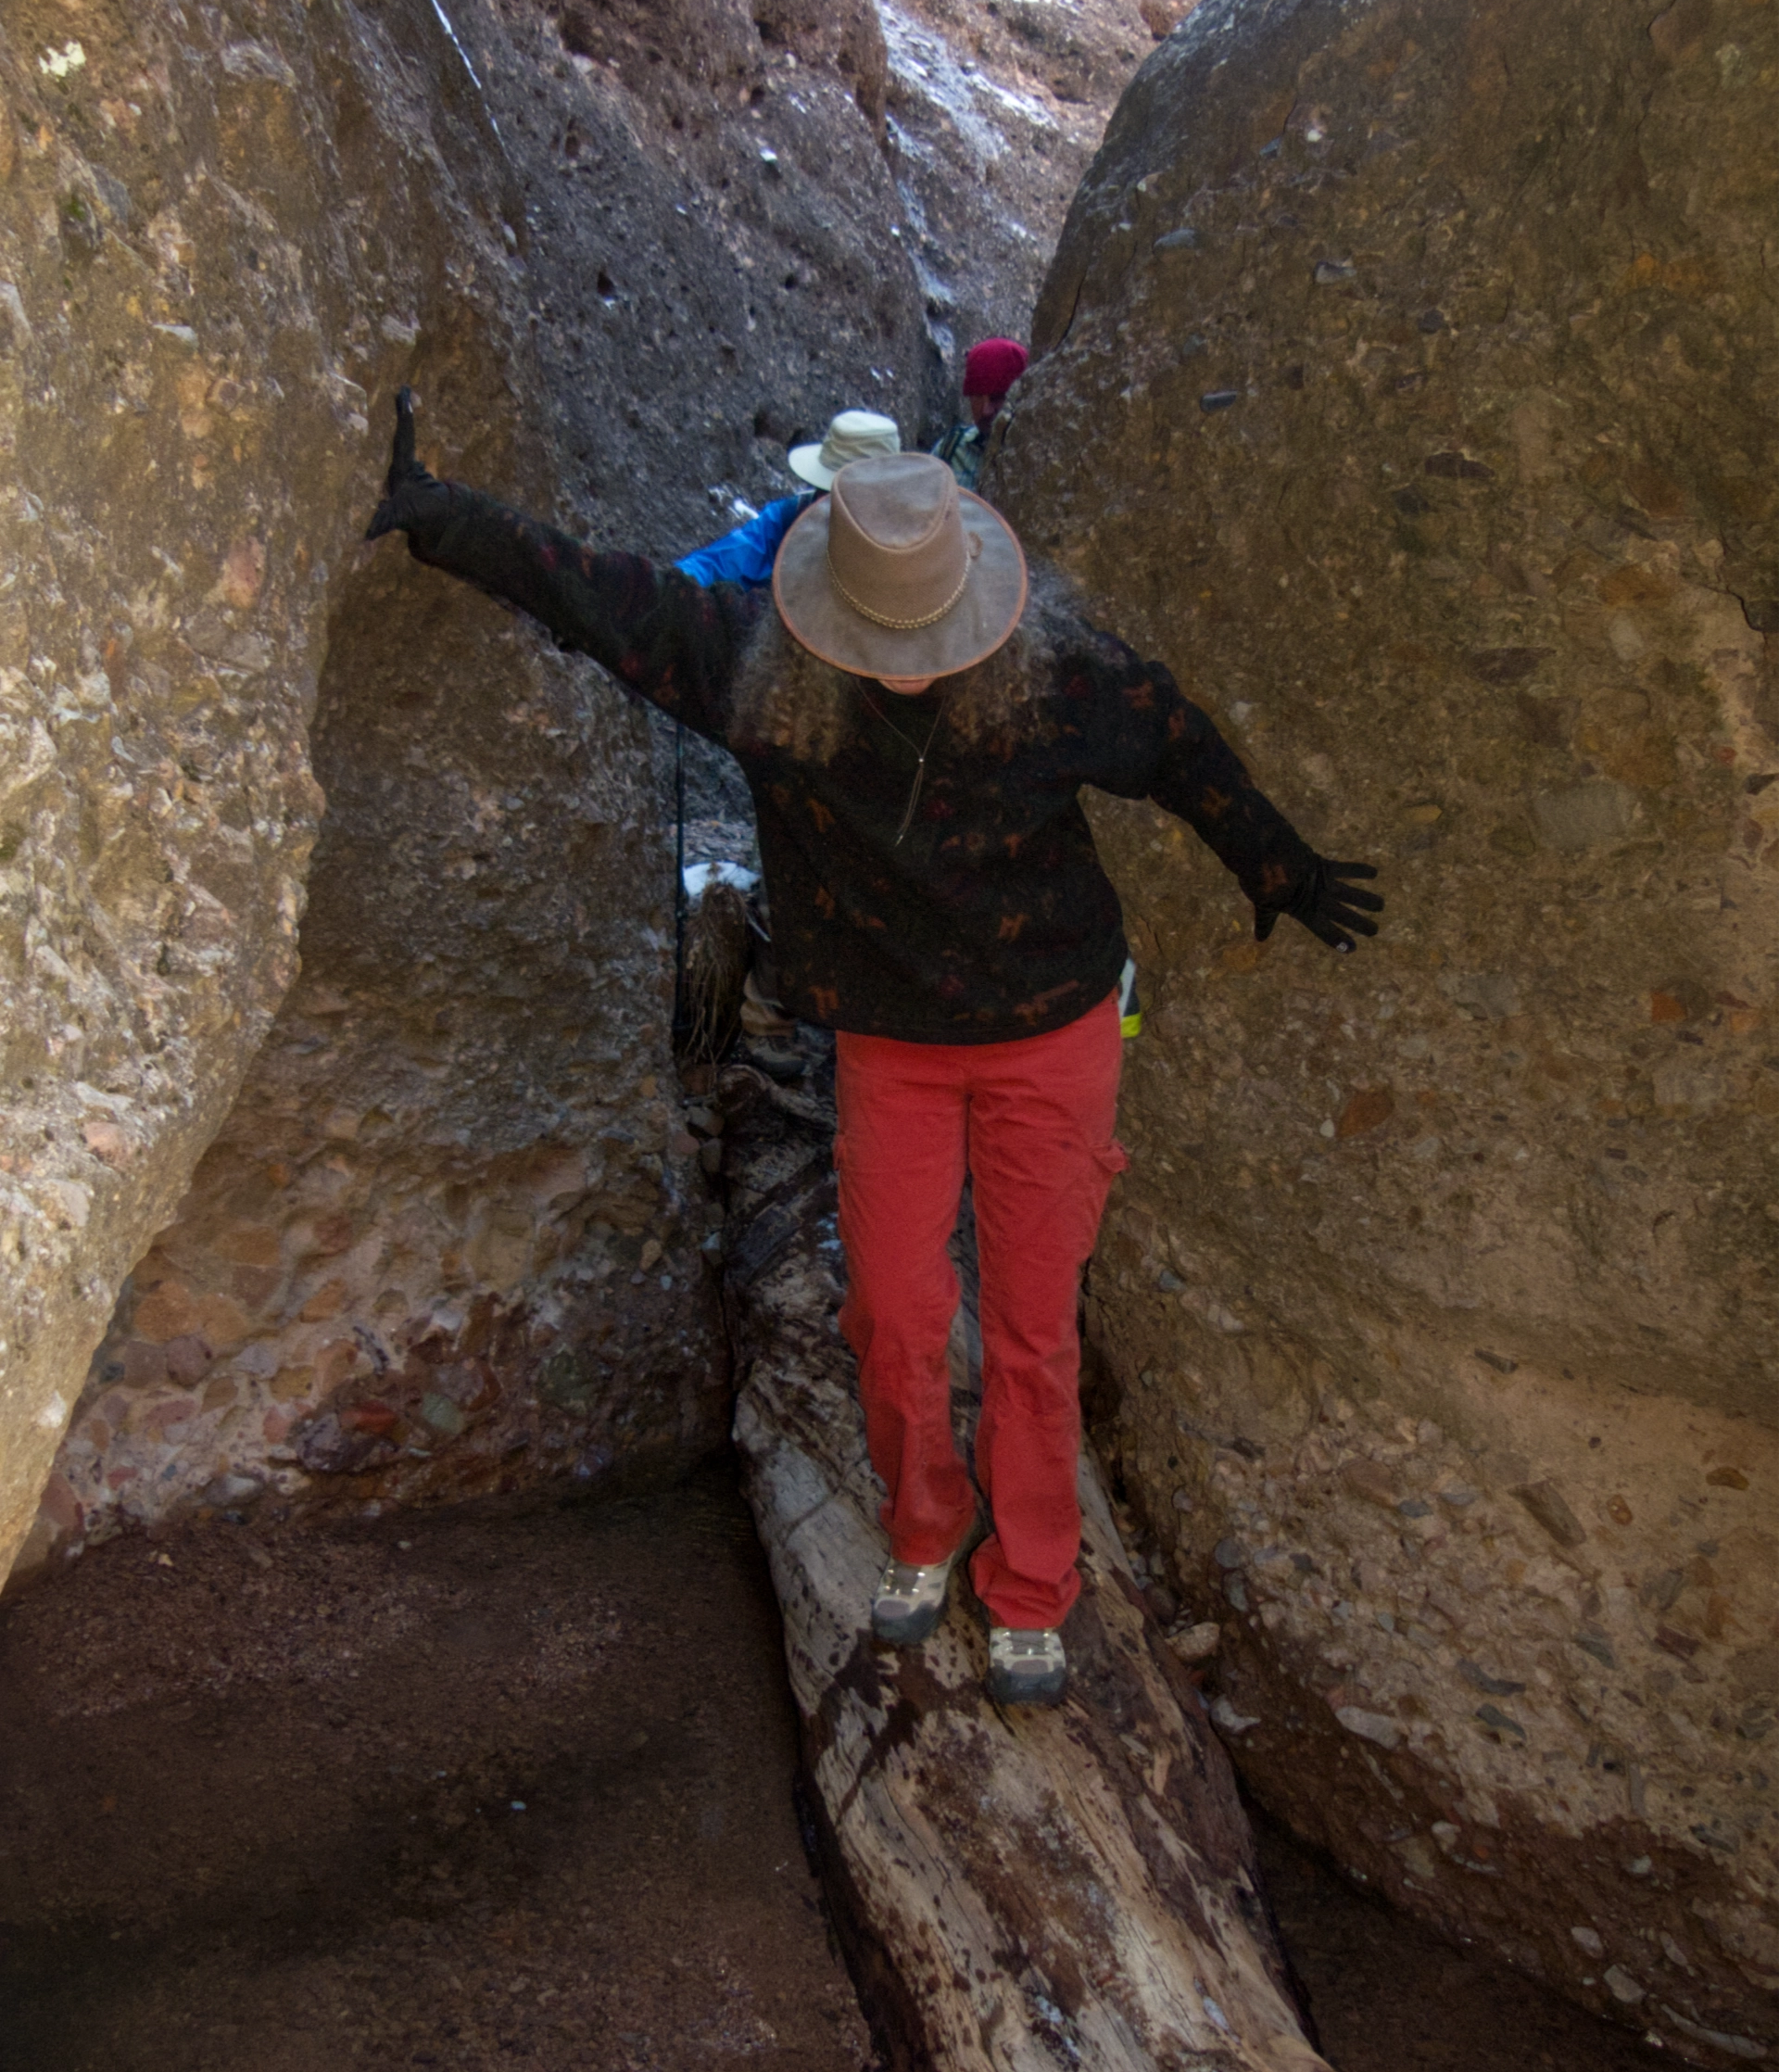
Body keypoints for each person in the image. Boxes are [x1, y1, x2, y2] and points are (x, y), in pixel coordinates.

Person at [364, 389, 1381, 1707]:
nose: (910, 661)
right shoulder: (755, 665)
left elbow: (1178, 743)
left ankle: (1032, 1585)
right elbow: (603, 601)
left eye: (932, 634)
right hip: (892, 1045)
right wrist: (441, 516)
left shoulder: (1059, 671)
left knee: (1028, 1328)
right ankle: (921, 1526)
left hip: (1049, 1036)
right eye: (882, 635)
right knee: (894, 1311)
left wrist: (1276, 864)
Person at [676, 408, 901, 591]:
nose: (825, 504)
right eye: (824, 491)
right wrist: (674, 586)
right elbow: (723, 561)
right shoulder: (791, 517)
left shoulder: (909, 550)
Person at [931, 337, 1028, 490]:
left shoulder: (1035, 458)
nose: (986, 410)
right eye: (977, 396)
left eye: (996, 397)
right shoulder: (950, 450)